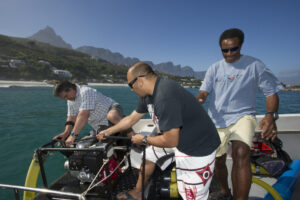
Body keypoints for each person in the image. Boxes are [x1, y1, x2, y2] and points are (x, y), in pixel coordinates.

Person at [97, 62, 221, 200]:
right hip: (178, 140)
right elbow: (131, 119)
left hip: (197, 147)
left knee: (191, 195)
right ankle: (138, 192)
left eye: (130, 85)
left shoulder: (164, 95)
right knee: (149, 155)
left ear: (140, 81)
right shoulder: (147, 95)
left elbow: (171, 140)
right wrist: (109, 131)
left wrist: (143, 139)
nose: (131, 89)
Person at [197, 28, 282, 200]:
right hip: (217, 119)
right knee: (218, 161)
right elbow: (204, 92)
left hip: (244, 116)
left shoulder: (255, 65)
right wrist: (199, 99)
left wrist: (270, 115)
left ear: (241, 45)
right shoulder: (214, 68)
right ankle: (224, 190)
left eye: (233, 49)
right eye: (225, 50)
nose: (229, 53)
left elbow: (271, 93)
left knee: (241, 152)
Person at [53, 80, 124, 146]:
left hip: (111, 109)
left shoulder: (85, 92)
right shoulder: (70, 100)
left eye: (66, 96)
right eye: (64, 98)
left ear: (70, 89)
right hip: (100, 124)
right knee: (105, 141)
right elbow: (71, 117)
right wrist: (66, 133)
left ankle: (130, 132)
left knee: (112, 116)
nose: (66, 99)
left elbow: (83, 115)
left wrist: (73, 135)